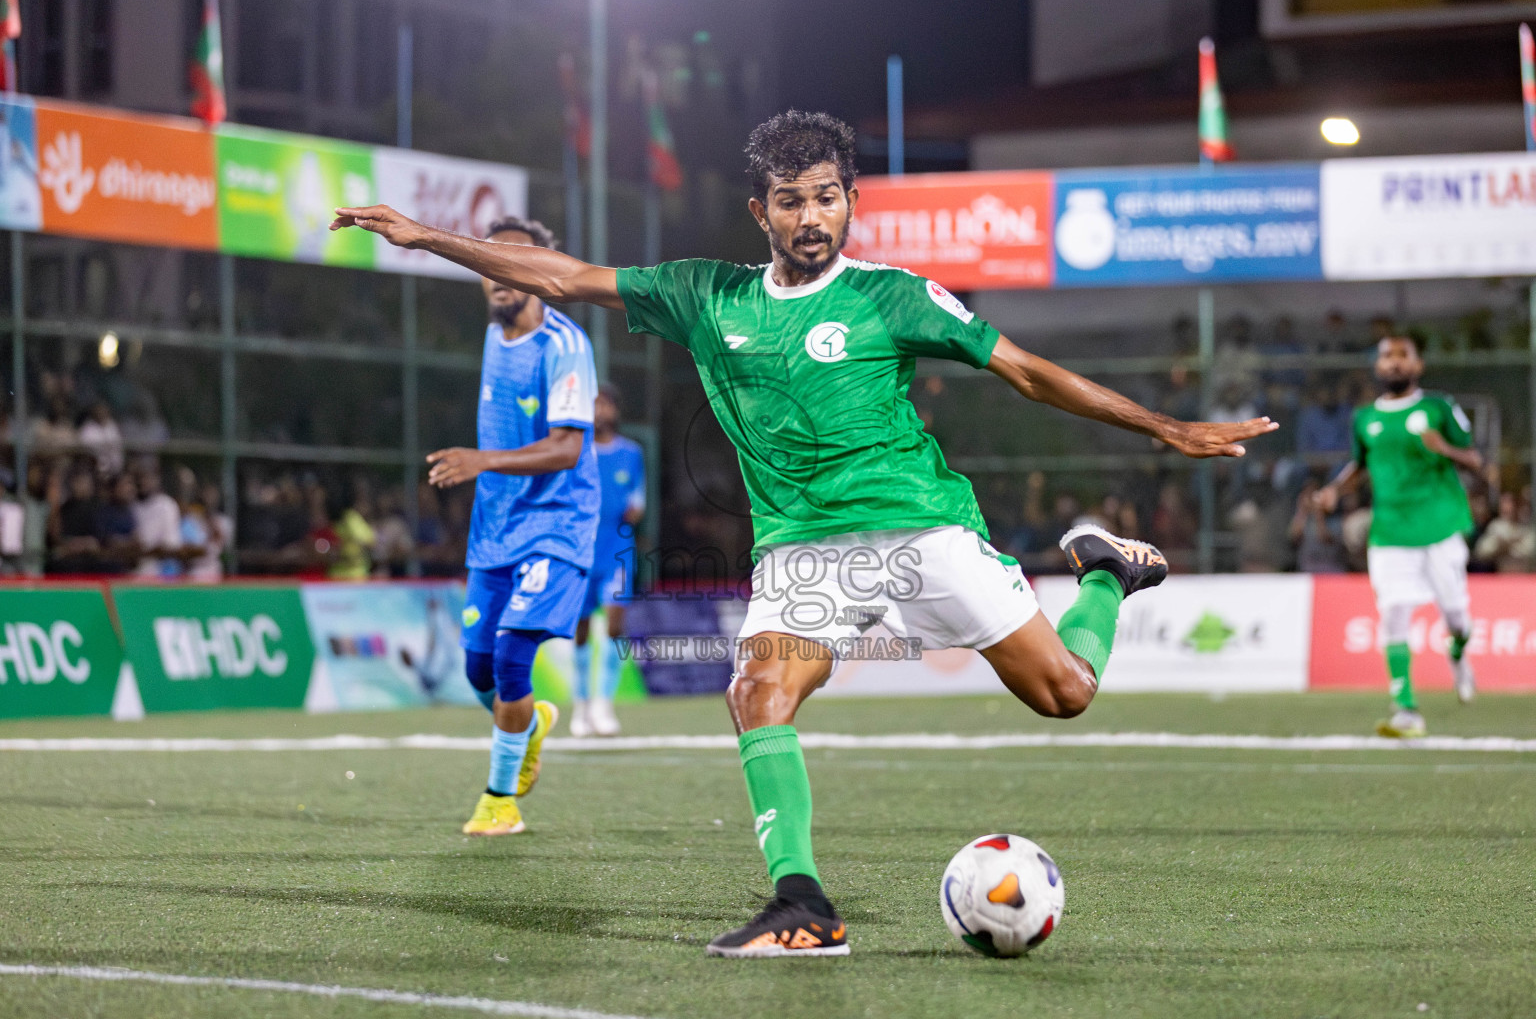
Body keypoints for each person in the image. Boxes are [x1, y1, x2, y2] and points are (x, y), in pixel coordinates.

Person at [333, 110, 1274, 957]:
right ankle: (803, 904)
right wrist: (426, 240)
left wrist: (1167, 428)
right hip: (798, 549)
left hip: (920, 527)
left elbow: (1026, 371)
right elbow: (566, 276)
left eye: (827, 197)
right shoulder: (708, 296)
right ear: (761, 211)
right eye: (792, 201)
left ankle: (1103, 575)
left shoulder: (894, 296)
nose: (812, 216)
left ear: (850, 201)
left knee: (1065, 693)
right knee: (758, 689)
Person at [418, 215, 599, 838]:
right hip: (496, 529)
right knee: (478, 671)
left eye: (513, 262)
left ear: (538, 274)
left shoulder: (564, 346)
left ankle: (500, 801)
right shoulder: (496, 336)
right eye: (489, 264)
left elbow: (568, 448)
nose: (498, 275)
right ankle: (531, 726)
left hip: (557, 523)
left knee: (513, 658)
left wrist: (481, 461)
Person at [1315, 329, 1482, 736]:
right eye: (1387, 356)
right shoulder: (1365, 419)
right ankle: (1406, 708)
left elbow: (1476, 459)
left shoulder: (1439, 407)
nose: (1393, 362)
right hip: (1389, 530)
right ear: (1377, 365)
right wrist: (1334, 490)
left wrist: (1445, 449)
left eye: (1402, 355)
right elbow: (1360, 465)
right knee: (1393, 614)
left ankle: (1458, 653)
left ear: (1418, 365)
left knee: (1458, 617)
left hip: (1439, 527)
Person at [569, 383, 646, 737]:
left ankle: (603, 705)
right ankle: (581, 705)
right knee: (581, 630)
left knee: (615, 627)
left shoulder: (632, 453)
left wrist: (634, 508)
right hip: (580, 552)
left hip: (617, 550)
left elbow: (637, 500)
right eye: (593, 404)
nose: (599, 411)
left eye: (605, 404)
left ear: (615, 410)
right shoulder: (576, 452)